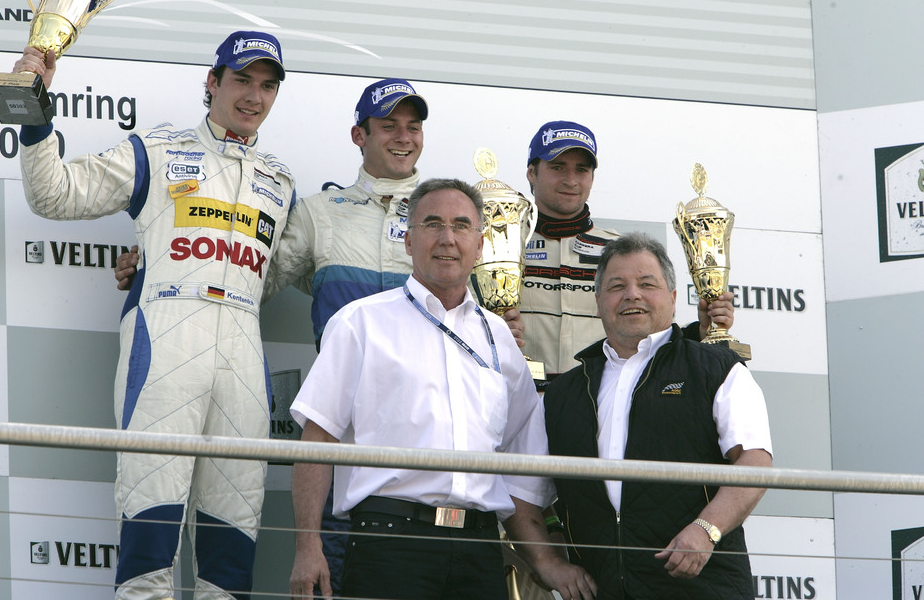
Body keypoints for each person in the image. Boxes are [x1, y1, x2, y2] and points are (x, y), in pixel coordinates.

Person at [115, 77, 433, 595]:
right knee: (340, 574)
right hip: (345, 430)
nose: (403, 137)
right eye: (388, 125)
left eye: (413, 126)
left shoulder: (445, 217)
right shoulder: (318, 212)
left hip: (426, 425)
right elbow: (249, 278)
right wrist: (159, 264)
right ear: (360, 135)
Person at [14, 31, 295, 600]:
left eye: (267, 86)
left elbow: (269, 277)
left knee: (232, 551)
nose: (254, 96)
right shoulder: (158, 150)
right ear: (212, 82)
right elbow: (53, 194)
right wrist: (31, 104)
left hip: (244, 354)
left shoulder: (281, 182)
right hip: (166, 342)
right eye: (242, 80)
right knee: (150, 535)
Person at [288, 178, 596, 600]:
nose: (448, 238)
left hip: (479, 551)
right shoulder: (360, 323)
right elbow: (317, 442)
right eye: (433, 224)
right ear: (408, 240)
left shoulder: (500, 339)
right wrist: (307, 547)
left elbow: (521, 468)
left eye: (462, 225)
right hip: (389, 545)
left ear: (481, 245)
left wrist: (544, 560)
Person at [543, 232, 772, 600]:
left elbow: (755, 463)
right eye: (617, 286)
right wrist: (547, 562)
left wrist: (706, 530)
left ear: (673, 298)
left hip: (702, 589)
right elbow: (526, 492)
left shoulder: (718, 369)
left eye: (647, 284)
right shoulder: (563, 392)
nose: (632, 294)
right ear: (598, 302)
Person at [516, 120, 735, 381]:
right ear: (532, 173)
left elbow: (655, 333)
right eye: (558, 167)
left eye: (582, 170)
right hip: (520, 397)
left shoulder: (621, 252)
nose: (571, 180)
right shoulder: (499, 249)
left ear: (592, 178)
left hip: (603, 398)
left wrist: (701, 331)